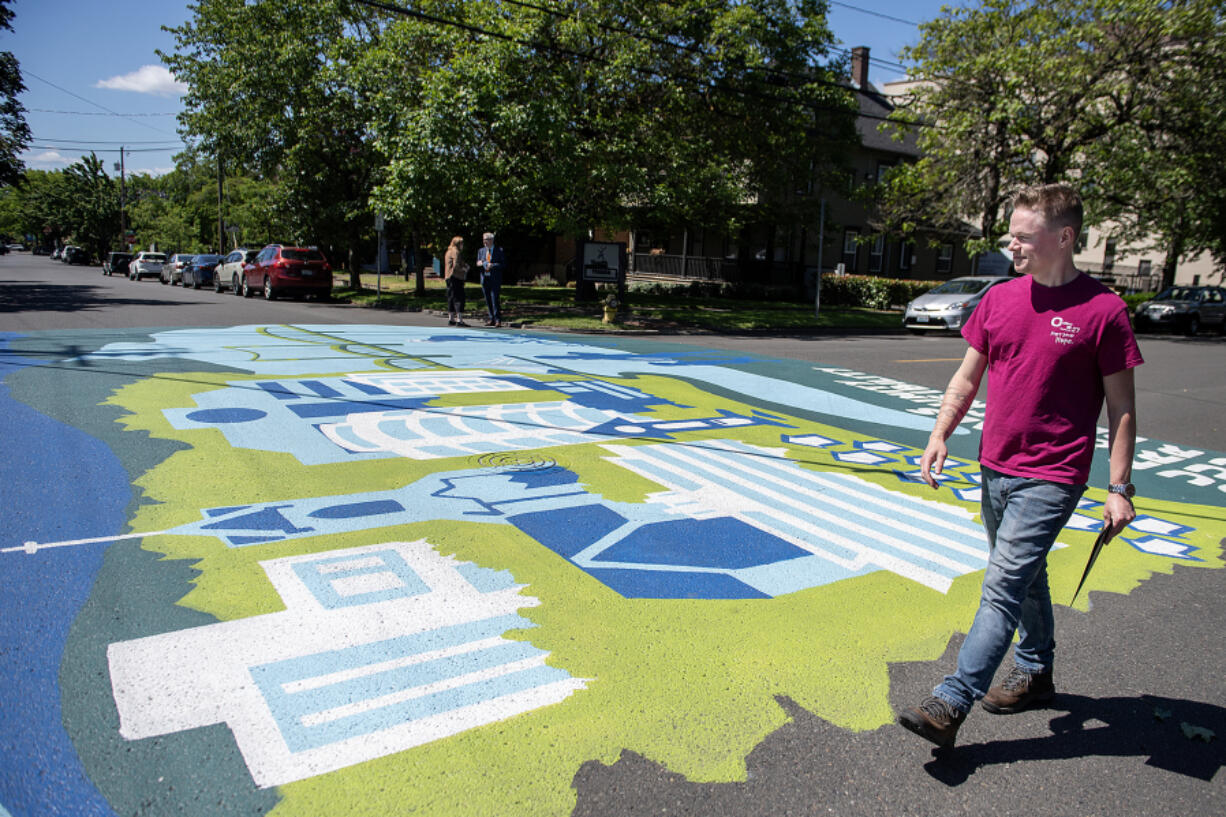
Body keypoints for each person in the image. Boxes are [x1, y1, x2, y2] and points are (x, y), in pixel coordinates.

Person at [897, 183, 1144, 750]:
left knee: (1003, 583)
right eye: (1012, 233)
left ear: (1064, 237)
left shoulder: (1103, 311)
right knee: (1025, 575)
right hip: (995, 467)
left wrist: (1119, 487)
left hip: (1054, 475)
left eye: (1024, 237)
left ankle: (953, 699)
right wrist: (939, 435)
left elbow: (1122, 406)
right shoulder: (999, 299)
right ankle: (1035, 669)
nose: (1012, 244)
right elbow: (966, 377)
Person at [477, 231, 506, 327]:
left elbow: (503, 264)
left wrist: (492, 265)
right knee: (487, 299)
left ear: (491, 240)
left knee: (495, 299)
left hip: (495, 278)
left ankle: (498, 319)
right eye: (483, 240)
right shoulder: (481, 251)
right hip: (485, 278)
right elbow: (478, 262)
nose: (484, 242)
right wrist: (481, 263)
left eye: (486, 240)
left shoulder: (499, 250)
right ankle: (491, 318)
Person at [443, 236, 469, 326]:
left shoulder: (448, 251)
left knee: (451, 297)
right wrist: (464, 269)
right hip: (456, 277)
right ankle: (459, 319)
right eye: (462, 244)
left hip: (448, 276)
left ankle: (451, 318)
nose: (463, 246)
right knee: (459, 297)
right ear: (458, 244)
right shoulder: (456, 252)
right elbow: (456, 265)